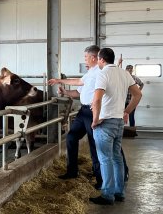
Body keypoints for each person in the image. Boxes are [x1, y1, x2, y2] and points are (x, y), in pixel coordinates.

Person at [89, 48, 142, 205]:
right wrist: (126, 111)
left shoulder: (103, 73)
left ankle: (107, 195)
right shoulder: (124, 73)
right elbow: (138, 94)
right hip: (119, 122)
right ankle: (119, 192)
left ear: (102, 59)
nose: (98, 62)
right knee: (117, 158)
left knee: (105, 159)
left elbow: (96, 100)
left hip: (105, 122)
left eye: (98, 59)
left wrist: (94, 119)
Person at [48, 45, 103, 189]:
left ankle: (100, 178)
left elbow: (78, 82)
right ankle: (72, 171)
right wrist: (65, 92)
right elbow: (78, 93)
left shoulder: (100, 72)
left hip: (92, 111)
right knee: (71, 137)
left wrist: (59, 80)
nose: (84, 60)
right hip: (83, 112)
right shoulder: (90, 72)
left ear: (93, 57)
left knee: (94, 144)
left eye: (85, 57)